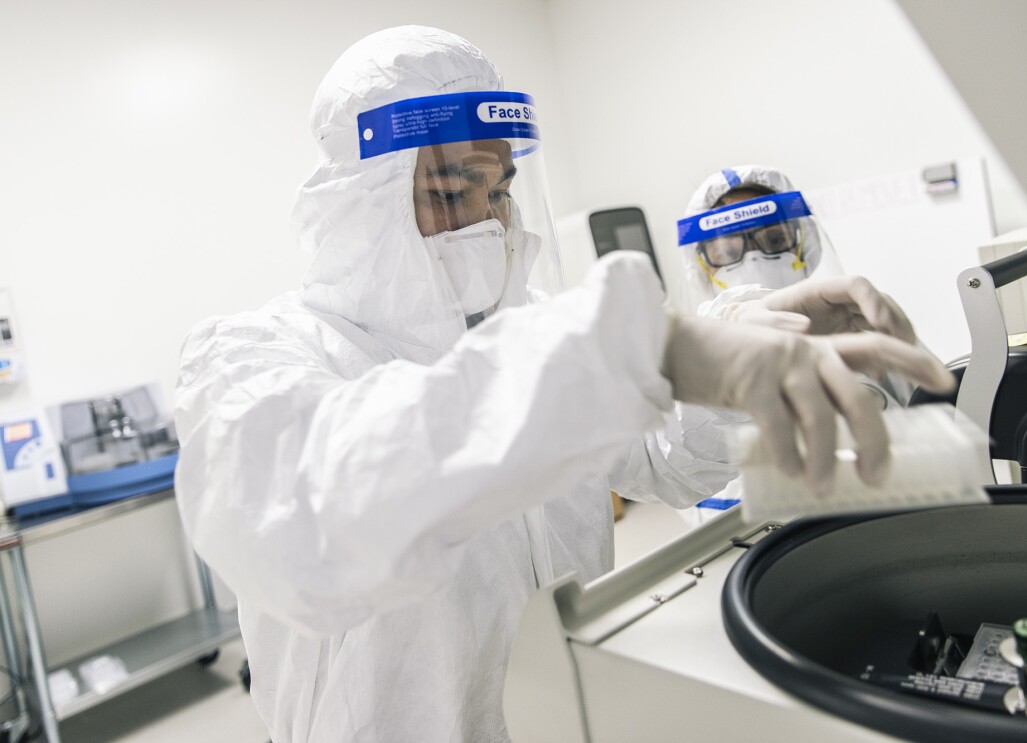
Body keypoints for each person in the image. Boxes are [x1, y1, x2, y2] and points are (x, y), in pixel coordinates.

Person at [173, 26, 954, 743]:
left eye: (499, 190)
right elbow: (309, 518)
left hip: (579, 713)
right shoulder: (252, 356)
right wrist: (620, 355)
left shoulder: (534, 330)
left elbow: (664, 457)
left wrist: (738, 352)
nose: (487, 219)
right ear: (358, 200)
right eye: (451, 191)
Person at [644, 165, 922, 524]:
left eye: (774, 241)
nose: (754, 258)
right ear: (702, 266)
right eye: (729, 249)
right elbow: (669, 467)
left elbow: (938, 419)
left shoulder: (862, 323)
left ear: (803, 242)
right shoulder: (687, 369)